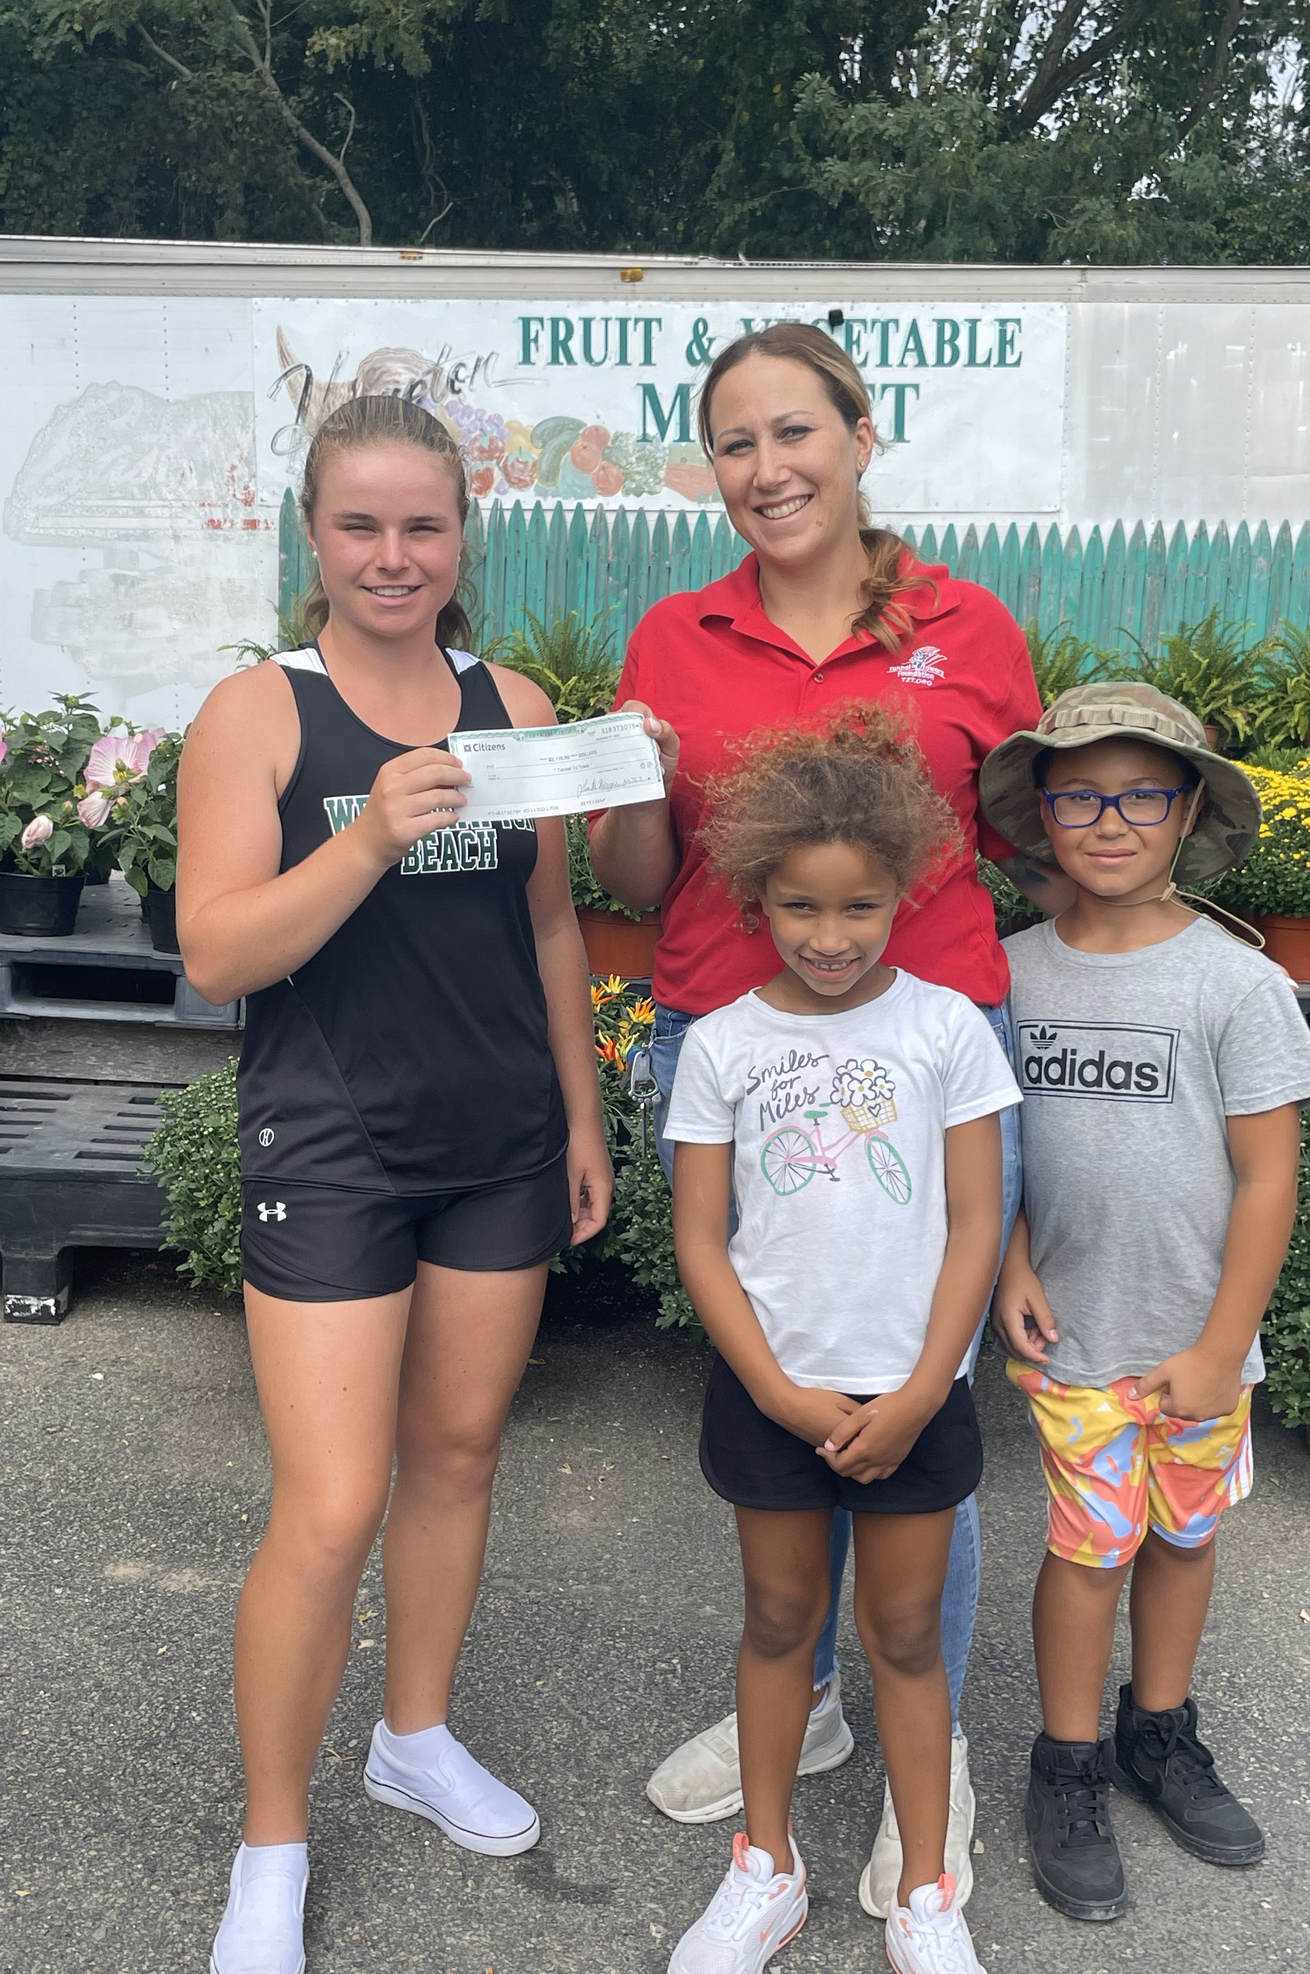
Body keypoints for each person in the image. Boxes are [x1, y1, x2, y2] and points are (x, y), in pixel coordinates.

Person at [589, 319, 1053, 1910]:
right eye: (736, 444)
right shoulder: (675, 636)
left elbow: (1024, 849)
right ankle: (816, 1698)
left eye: (798, 431)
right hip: (728, 1039)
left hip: (935, 1050)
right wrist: (627, 794)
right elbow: (635, 883)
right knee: (786, 1343)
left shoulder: (968, 629)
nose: (769, 468)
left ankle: (935, 1734)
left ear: (861, 437)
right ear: (709, 469)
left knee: (925, 1377)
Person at [176, 395, 613, 1974]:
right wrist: (364, 839)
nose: (393, 555)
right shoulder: (259, 712)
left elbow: (552, 925)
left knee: (455, 1456)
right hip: (335, 1143)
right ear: (313, 535)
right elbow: (218, 949)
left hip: (499, 1136)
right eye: (361, 526)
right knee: (332, 1502)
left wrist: (582, 1116)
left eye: (422, 526)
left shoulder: (514, 701)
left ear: (461, 536)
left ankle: (412, 1736)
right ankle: (271, 1846)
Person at [663, 707, 1019, 1974]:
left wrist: (927, 1387)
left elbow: (979, 1219)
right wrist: (779, 1390)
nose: (830, 936)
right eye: (802, 908)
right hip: (776, 1392)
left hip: (915, 1391)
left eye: (860, 908)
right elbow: (702, 1238)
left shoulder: (945, 1030)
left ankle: (927, 1888)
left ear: (902, 894)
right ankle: (766, 1868)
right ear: (758, 894)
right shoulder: (721, 1045)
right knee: (775, 1616)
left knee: (909, 1634)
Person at [981, 684, 1310, 1923]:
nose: (1109, 819)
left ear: (1187, 812)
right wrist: (1010, 1261)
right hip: (1075, 1334)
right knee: (1087, 1551)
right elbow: (994, 1149)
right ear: (1042, 812)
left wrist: (1225, 1341)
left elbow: (1268, 1169)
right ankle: (1066, 1763)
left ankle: (1160, 1731)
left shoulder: (1237, 982)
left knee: (1184, 1537)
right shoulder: (1007, 973)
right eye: (1078, 795)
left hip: (1201, 1344)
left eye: (1141, 793)